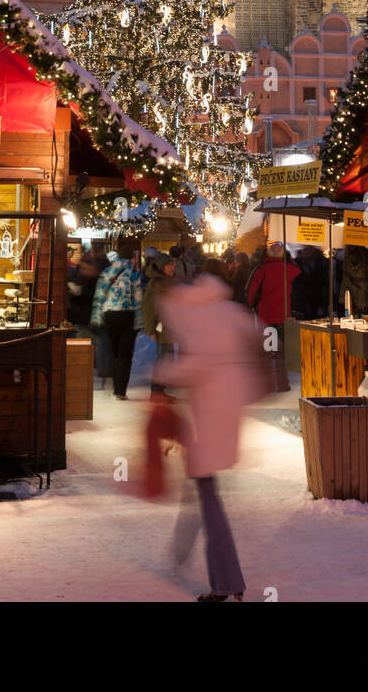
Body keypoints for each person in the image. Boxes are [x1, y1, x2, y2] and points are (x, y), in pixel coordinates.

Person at [155, 270, 260, 601]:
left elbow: (199, 363)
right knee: (203, 488)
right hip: (227, 411)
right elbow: (256, 338)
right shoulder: (229, 310)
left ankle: (227, 581)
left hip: (211, 417)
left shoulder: (198, 316)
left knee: (207, 494)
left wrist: (160, 374)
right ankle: (188, 554)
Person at [90, 237, 144, 399]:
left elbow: (98, 296)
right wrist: (140, 321)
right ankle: (120, 391)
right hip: (128, 315)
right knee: (125, 354)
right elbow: (139, 299)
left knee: (114, 351)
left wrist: (96, 318)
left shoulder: (106, 272)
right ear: (131, 257)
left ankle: (114, 382)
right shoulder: (135, 274)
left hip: (110, 315)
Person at [247, 242, 300, 391]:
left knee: (269, 351)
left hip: (266, 317)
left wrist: (253, 306)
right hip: (286, 317)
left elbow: (251, 293)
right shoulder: (292, 270)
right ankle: (282, 383)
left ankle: (268, 384)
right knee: (283, 353)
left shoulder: (261, 270)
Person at [143, 252, 177, 397]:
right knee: (164, 357)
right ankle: (157, 390)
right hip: (162, 326)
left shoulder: (167, 281)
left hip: (170, 326)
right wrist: (151, 329)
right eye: (170, 265)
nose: (173, 268)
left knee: (168, 356)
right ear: (163, 267)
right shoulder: (156, 283)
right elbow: (150, 307)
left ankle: (160, 389)